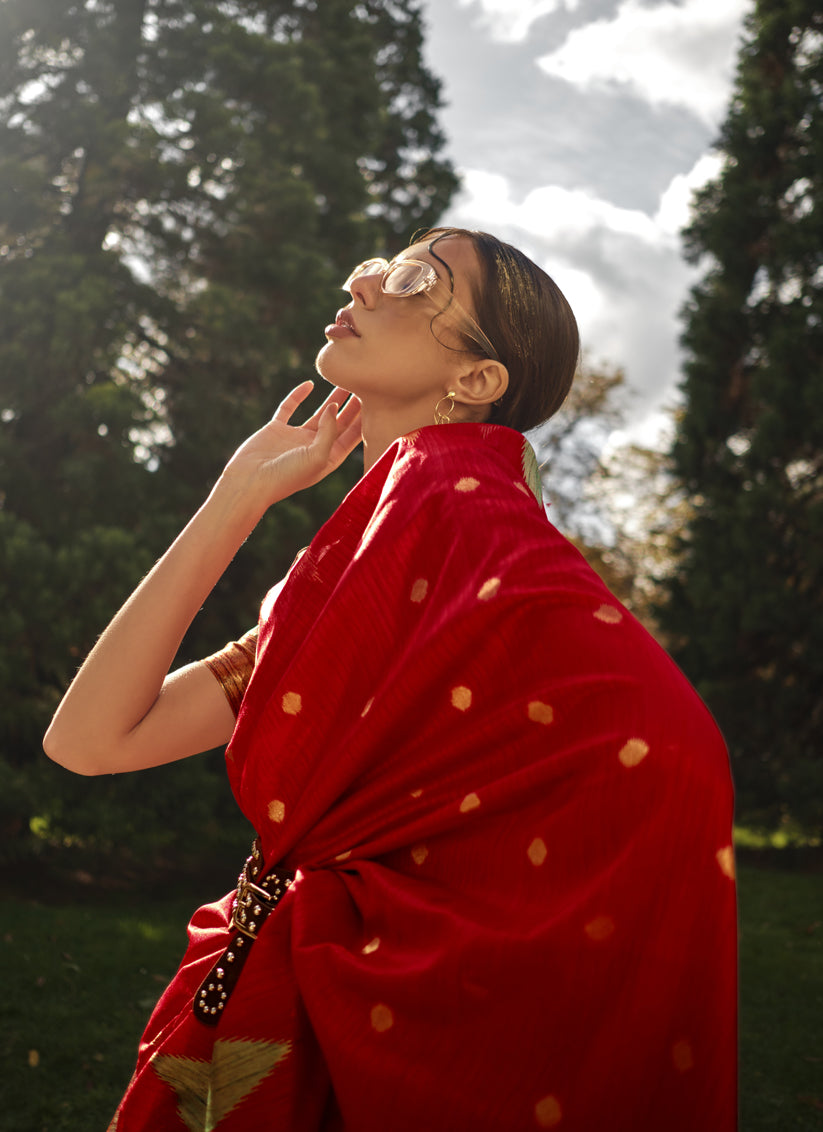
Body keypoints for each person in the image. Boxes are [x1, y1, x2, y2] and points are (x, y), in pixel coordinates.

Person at [44, 227, 737, 1131]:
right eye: (377, 265)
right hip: (275, 991)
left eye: (418, 281)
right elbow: (90, 740)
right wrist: (236, 497)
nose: (365, 283)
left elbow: (662, 745)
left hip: (389, 1009)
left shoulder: (475, 536)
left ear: (477, 381)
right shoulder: (346, 588)